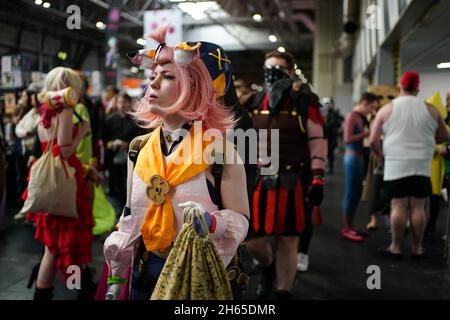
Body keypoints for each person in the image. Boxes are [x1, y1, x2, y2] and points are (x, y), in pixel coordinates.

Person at [103, 26, 249, 300]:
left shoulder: (221, 153)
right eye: (153, 75)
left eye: (167, 76)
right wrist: (116, 276)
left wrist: (212, 223)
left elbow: (240, 220)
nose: (153, 84)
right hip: (143, 275)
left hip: (195, 281)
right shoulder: (139, 148)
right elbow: (129, 218)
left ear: (196, 88)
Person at [244, 51, 327, 299]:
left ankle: (283, 291)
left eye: (279, 68)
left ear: (291, 73)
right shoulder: (253, 101)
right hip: (258, 181)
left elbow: (317, 142)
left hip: (292, 181)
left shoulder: (305, 103)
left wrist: (318, 178)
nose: (273, 73)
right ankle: (268, 269)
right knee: (253, 240)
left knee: (288, 241)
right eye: (269, 68)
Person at [22, 67, 94, 300]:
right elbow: (64, 150)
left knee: (52, 246)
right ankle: (83, 289)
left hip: (50, 179)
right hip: (66, 180)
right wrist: (81, 131)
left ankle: (43, 291)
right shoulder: (64, 110)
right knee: (69, 240)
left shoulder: (44, 109)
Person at [370, 72, 449, 259]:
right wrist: (429, 139)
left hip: (396, 164)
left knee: (398, 205)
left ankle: (396, 248)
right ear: (418, 89)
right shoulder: (431, 109)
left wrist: (380, 156)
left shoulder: (387, 109)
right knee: (418, 207)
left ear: (400, 88)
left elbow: (373, 140)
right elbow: (445, 136)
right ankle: (417, 248)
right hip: (421, 164)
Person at [341, 92, 378, 242]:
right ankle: (346, 227)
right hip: (352, 158)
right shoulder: (352, 116)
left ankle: (351, 225)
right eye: (371, 107)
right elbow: (347, 138)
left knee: (356, 193)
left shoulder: (359, 117)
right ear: (364, 103)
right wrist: (367, 133)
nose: (371, 111)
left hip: (358, 157)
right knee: (351, 193)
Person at [102, 92, 146, 208]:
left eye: (124, 102)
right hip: (114, 157)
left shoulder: (136, 121)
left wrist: (127, 145)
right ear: (116, 104)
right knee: (117, 184)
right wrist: (112, 144)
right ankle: (120, 208)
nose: (122, 105)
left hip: (131, 157)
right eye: (120, 102)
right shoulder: (109, 120)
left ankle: (131, 206)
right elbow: (104, 139)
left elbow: (141, 139)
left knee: (131, 183)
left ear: (129, 103)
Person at [323, 98, 343, 174]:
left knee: (330, 153)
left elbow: (333, 123)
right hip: (328, 136)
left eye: (329, 104)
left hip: (331, 136)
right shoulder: (328, 113)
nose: (328, 106)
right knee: (329, 153)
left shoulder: (333, 113)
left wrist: (324, 126)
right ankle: (329, 167)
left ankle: (330, 168)